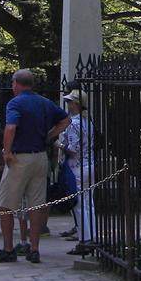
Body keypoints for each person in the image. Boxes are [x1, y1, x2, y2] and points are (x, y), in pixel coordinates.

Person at [0, 69, 68, 264]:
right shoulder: (45, 102)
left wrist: (6, 151)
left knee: (4, 204)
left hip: (20, 158)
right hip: (40, 157)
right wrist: (49, 136)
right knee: (36, 205)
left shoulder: (15, 103)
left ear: (16, 83)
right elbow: (65, 120)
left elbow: (11, 127)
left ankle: (8, 249)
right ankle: (34, 249)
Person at [59, 88, 96, 256]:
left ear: (75, 104)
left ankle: (85, 239)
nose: (67, 104)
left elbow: (73, 149)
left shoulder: (73, 124)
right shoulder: (88, 122)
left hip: (77, 167)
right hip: (90, 164)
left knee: (79, 205)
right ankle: (92, 236)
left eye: (68, 102)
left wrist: (58, 145)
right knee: (88, 203)